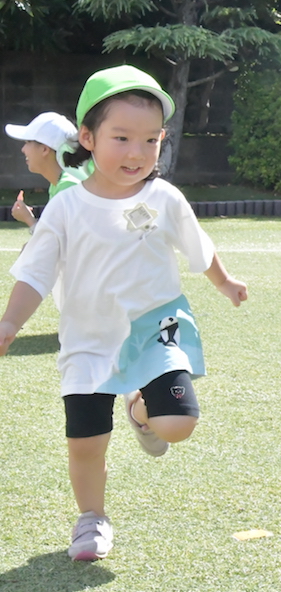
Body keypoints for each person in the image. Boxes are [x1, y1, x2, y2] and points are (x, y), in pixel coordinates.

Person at [0, 64, 248, 561]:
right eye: (122, 138)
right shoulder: (66, 206)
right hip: (88, 340)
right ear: (88, 138)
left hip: (157, 329)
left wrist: (224, 283)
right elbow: (35, 274)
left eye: (150, 140)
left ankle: (140, 408)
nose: (137, 152)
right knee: (86, 444)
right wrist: (9, 323)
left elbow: (198, 246)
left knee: (177, 424)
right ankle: (91, 518)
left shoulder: (165, 197)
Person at [4, 111, 90, 232]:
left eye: (28, 142)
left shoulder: (68, 186)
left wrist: (29, 220)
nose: (23, 149)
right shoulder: (60, 183)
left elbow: (62, 242)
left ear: (45, 149)